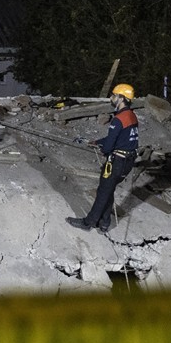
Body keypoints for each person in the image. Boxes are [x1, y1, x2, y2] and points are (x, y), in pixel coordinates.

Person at [67, 83, 139, 233]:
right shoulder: (132, 116)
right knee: (108, 189)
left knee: (103, 191)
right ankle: (105, 222)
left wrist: (103, 147)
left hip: (117, 162)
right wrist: (97, 142)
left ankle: (89, 222)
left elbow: (109, 146)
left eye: (114, 95)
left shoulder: (118, 119)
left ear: (121, 98)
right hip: (127, 162)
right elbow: (120, 138)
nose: (111, 98)